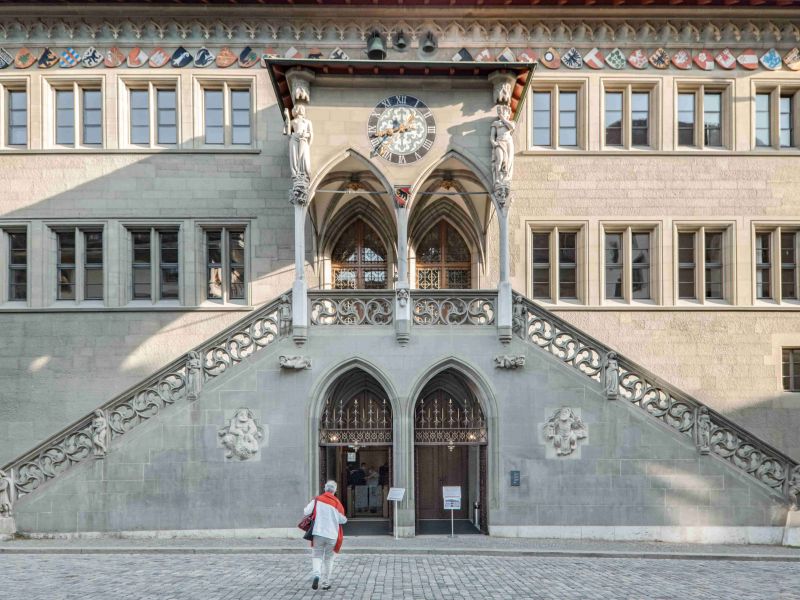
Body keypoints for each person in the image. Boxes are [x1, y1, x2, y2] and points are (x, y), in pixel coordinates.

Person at [303, 480, 347, 591]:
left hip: (318, 532)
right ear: (335, 490)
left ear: (325, 489)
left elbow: (306, 511)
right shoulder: (337, 503)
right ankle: (326, 583)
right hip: (332, 535)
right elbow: (343, 520)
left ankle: (317, 575)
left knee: (317, 555)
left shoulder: (317, 500)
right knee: (329, 559)